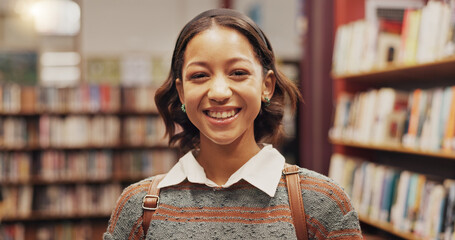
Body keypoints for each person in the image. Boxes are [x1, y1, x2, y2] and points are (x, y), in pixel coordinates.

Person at [104, 8, 362, 239]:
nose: (218, 92)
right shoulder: (139, 207)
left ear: (266, 86)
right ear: (182, 93)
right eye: (199, 75)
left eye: (238, 73)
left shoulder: (321, 204)